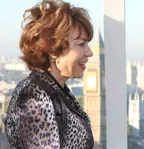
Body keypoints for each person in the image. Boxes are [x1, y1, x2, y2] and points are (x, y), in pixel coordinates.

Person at [3, 0, 95, 148]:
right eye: (81, 44)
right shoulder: (33, 96)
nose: (89, 53)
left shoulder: (56, 90)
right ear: (54, 49)